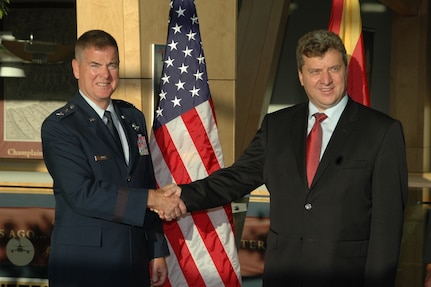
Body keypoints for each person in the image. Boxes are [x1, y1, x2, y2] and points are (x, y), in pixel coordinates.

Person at [150, 29, 408, 287]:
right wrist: (182, 195)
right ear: (300, 76)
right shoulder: (277, 126)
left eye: (334, 69)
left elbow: (387, 225)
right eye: (315, 71)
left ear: (345, 71)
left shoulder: (381, 132)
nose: (326, 79)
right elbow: (236, 178)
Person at [41, 29, 169, 287]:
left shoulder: (133, 118)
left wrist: (156, 250)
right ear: (76, 68)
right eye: (95, 65)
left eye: (112, 65)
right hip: (85, 267)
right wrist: (150, 199)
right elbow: (83, 194)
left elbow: (145, 182)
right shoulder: (60, 127)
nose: (105, 74)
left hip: (133, 262)